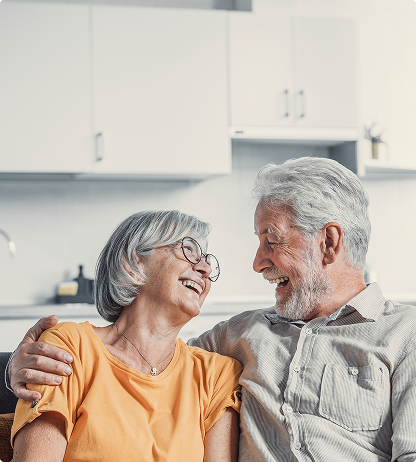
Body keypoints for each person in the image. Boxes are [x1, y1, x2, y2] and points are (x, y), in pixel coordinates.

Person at [7, 157, 416, 461]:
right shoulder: (237, 339)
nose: (257, 263)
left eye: (271, 241)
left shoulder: (405, 336)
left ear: (328, 242)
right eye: (189, 251)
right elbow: (140, 352)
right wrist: (14, 367)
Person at [10, 210, 242, 462]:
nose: (205, 268)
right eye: (188, 250)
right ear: (132, 265)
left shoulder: (217, 375)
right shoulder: (70, 346)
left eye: (208, 261)